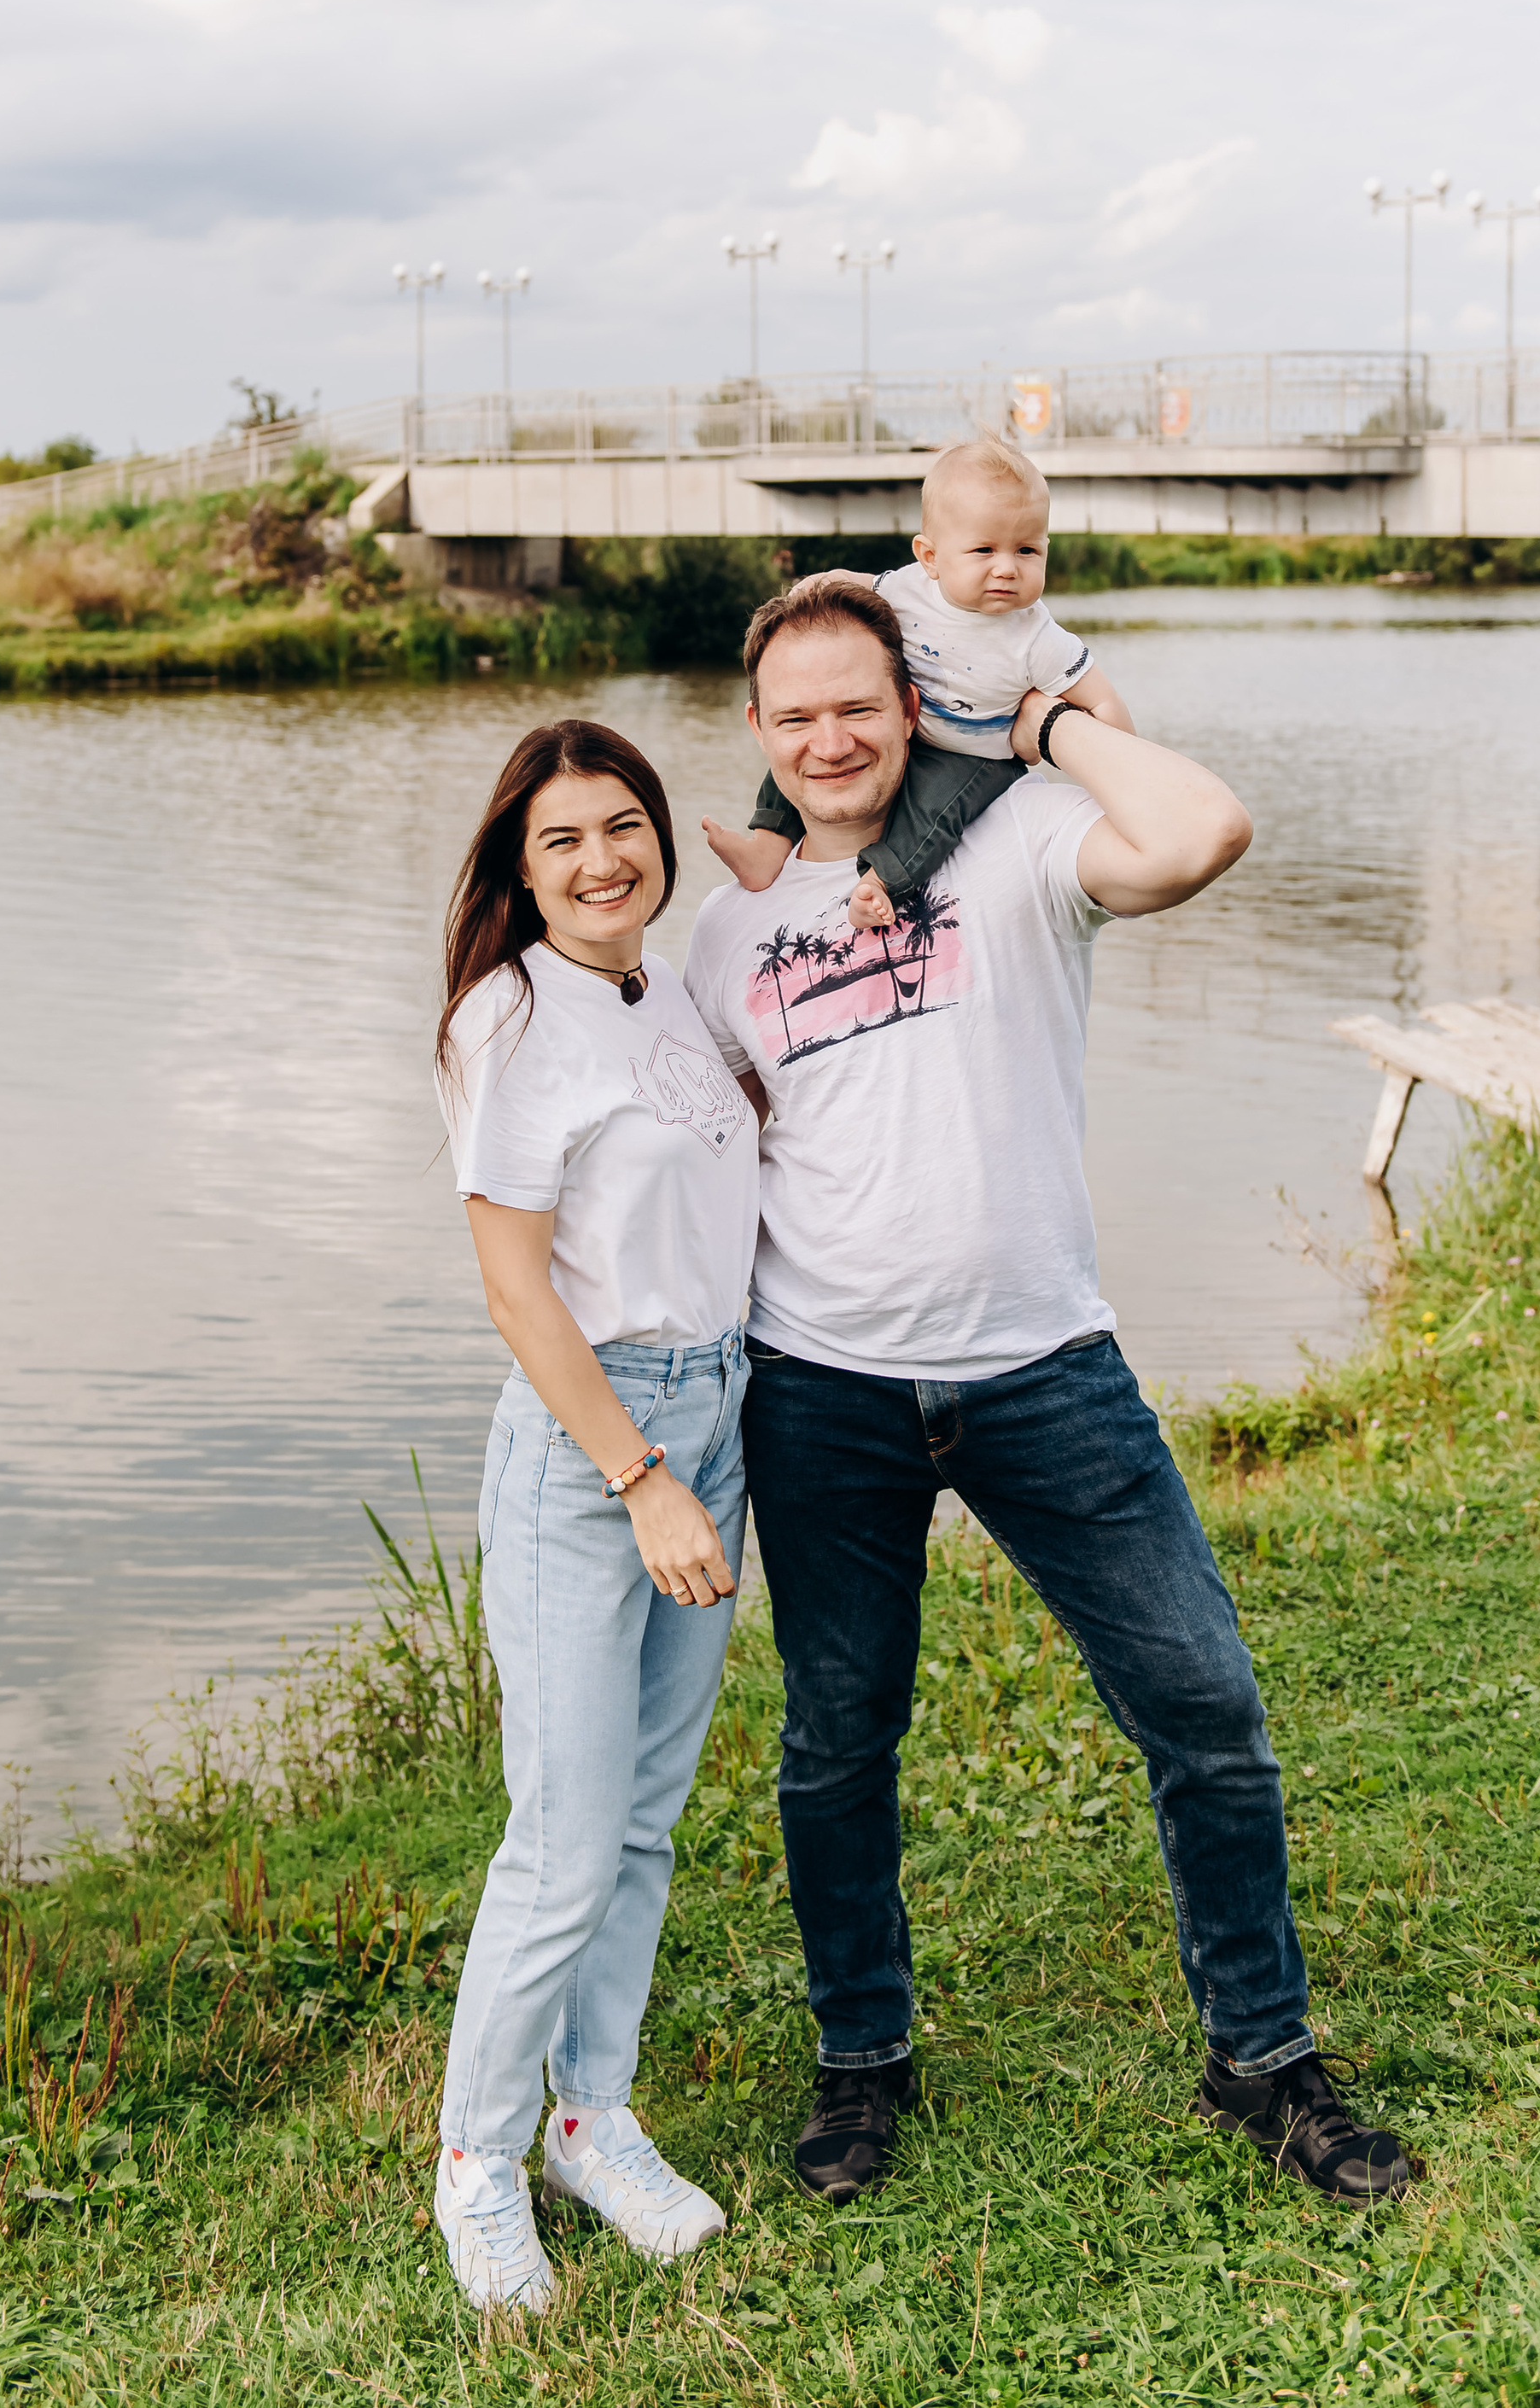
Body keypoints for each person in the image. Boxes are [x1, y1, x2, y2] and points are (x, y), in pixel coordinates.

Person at [682, 580, 1413, 2213]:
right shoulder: (725, 932)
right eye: (795, 714)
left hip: (1044, 1367)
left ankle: (1262, 2055)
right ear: (758, 733)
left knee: (1204, 1702)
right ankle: (862, 2052)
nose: (828, 738)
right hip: (822, 1387)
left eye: (857, 703)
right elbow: (704, 1149)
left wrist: (1039, 715)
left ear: (910, 702)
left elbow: (1206, 825)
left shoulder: (1018, 842)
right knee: (836, 1739)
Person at [430, 719, 758, 2312]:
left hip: (719, 1411)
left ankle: (591, 2118)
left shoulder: (672, 985)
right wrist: (642, 1476)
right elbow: (516, 1288)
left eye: (624, 823)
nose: (601, 859)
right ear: (520, 863)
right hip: (595, 1450)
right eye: (561, 837)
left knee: (640, 1819)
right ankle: (478, 2158)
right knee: (562, 1841)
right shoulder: (508, 1016)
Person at [702, 430, 1127, 931]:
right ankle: (766, 848)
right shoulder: (910, 589)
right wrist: (817, 585)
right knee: (802, 749)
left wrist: (1112, 768)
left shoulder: (1038, 638)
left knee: (934, 812)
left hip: (974, 754)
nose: (1007, 569)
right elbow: (860, 582)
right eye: (984, 550)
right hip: (906, 727)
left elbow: (1102, 703)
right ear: (930, 557)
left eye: (1027, 550)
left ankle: (881, 882)